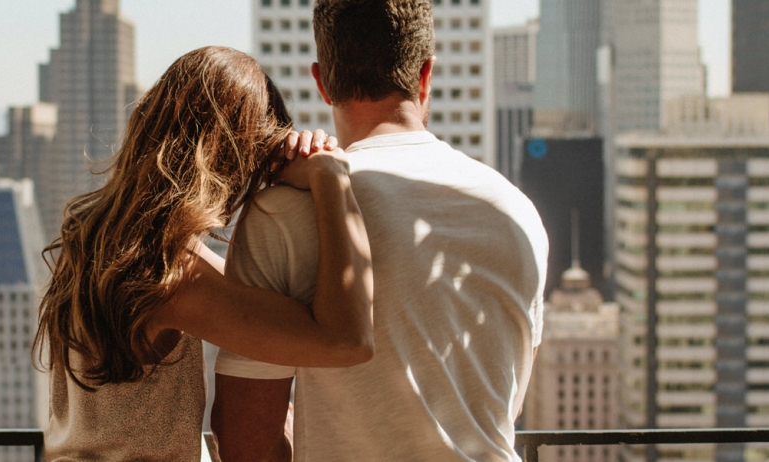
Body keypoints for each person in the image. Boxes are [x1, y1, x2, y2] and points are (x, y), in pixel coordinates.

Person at [210, 0, 551, 460]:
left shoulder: (284, 211)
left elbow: (247, 440)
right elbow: (502, 406)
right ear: (426, 75)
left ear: (322, 82)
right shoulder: (516, 211)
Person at [36, 45, 374, 461]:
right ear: (230, 158)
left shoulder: (93, 235)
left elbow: (239, 290)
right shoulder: (169, 277)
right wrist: (329, 178)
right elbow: (347, 341)